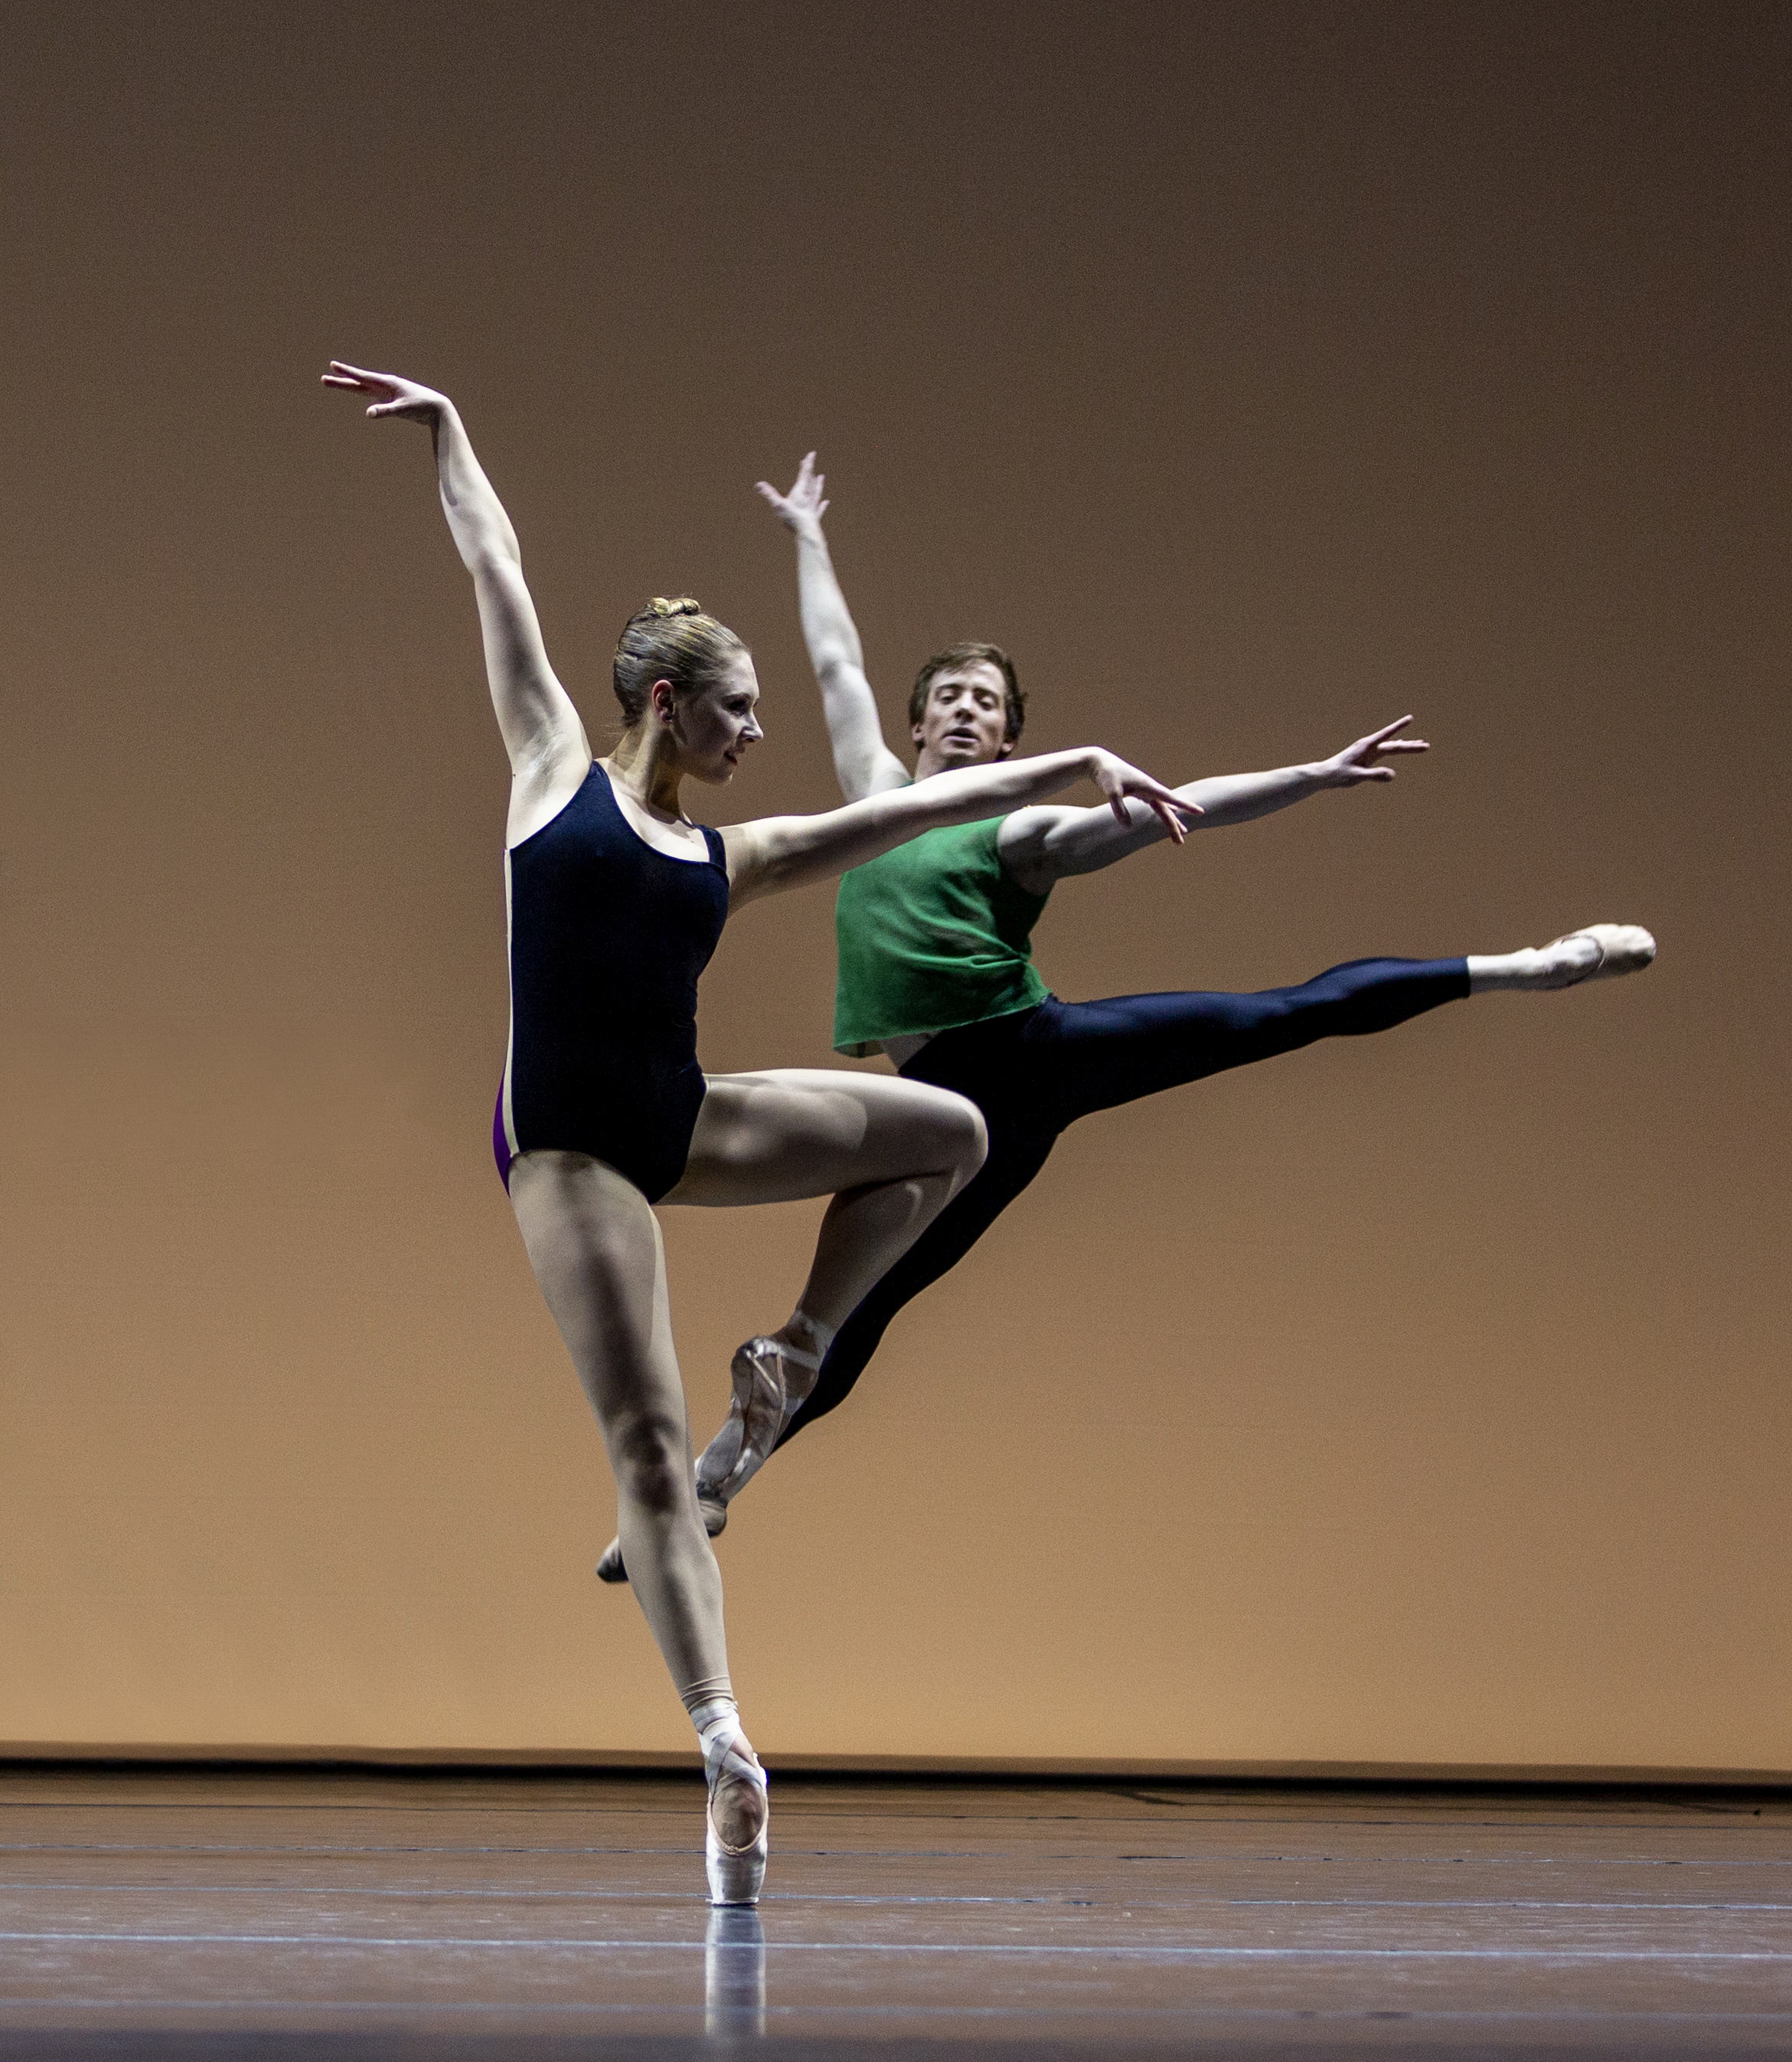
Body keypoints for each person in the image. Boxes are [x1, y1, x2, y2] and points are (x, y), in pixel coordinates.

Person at [321, 370, 1196, 1904]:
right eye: (738, 706)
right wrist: (452, 427)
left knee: (951, 1132)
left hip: (681, 1117)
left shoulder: (736, 850)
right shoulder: (548, 778)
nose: (759, 727)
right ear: (667, 699)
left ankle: (790, 1349)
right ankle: (726, 1749)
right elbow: (495, 566)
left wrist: (1068, 767)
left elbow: (895, 818)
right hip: (575, 1153)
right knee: (651, 1453)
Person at [644, 454, 1656, 1551]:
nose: (968, 711)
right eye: (951, 697)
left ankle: (1529, 965)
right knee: (865, 1308)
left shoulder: (1016, 832)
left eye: (989, 703)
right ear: (921, 720)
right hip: (950, 1110)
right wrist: (806, 533)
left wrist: (1308, 777)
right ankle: (711, 1490)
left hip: (1034, 1054)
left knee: (1276, 1015)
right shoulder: (875, 798)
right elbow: (836, 659)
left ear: (1009, 739)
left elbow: (1177, 811)